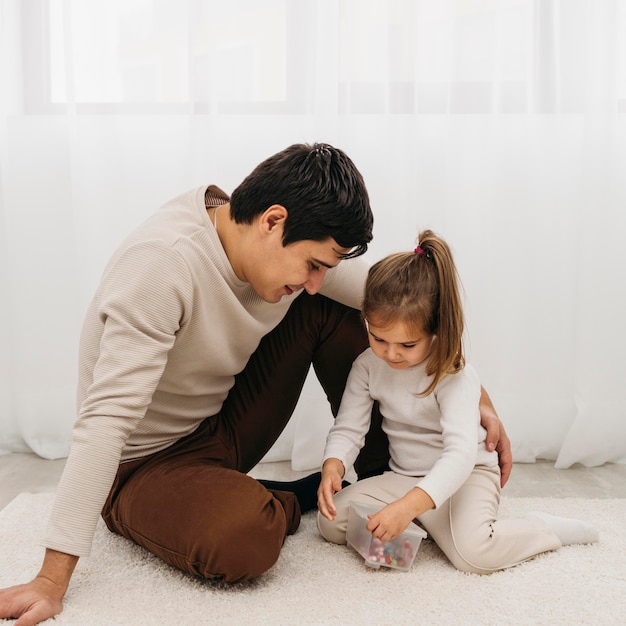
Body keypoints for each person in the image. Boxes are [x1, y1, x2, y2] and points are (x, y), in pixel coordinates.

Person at [1, 145, 510, 625]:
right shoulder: (162, 268)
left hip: (220, 423)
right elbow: (104, 420)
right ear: (273, 221)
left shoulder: (271, 241)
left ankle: (387, 486)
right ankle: (289, 499)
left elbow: (403, 307)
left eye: (324, 267)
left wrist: (471, 397)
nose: (315, 278)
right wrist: (50, 579)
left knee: (367, 317)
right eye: (313, 264)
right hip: (144, 465)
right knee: (247, 538)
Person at [317, 230, 599, 574]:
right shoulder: (366, 366)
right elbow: (349, 428)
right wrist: (335, 465)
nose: (390, 353)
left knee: (474, 556)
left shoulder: (453, 373)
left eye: (407, 345)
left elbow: (460, 455)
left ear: (435, 329)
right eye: (378, 338)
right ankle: (427, 525)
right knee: (331, 522)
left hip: (467, 476)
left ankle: (542, 527)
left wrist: (406, 508)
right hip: (407, 476)